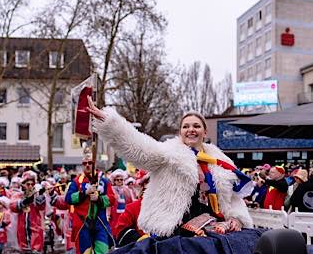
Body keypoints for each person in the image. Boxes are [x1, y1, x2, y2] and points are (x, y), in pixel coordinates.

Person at [87, 101, 253, 237]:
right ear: (180, 132)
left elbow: (232, 198)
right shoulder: (169, 153)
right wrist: (109, 123)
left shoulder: (220, 160)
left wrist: (236, 219)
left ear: (205, 131)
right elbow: (139, 148)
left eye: (196, 126)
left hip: (210, 232)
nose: (191, 130)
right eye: (186, 127)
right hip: (174, 233)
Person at [64, 153, 113, 254]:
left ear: (94, 164)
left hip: (100, 223)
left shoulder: (103, 182)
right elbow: (68, 198)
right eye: (84, 163)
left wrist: (99, 199)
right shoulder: (76, 182)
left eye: (90, 163)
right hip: (83, 224)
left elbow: (112, 199)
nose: (87, 165)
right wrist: (84, 193)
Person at [10, 170, 46, 254]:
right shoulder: (18, 195)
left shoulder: (37, 195)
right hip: (22, 227)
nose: (30, 186)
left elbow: (42, 207)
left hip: (35, 226)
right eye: (27, 184)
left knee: (36, 247)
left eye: (32, 184)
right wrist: (24, 201)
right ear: (23, 184)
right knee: (25, 249)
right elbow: (12, 206)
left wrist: (40, 197)